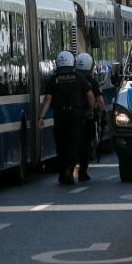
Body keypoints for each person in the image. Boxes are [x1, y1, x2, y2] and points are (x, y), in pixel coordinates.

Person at [37, 51, 95, 185]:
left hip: (60, 117)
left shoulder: (53, 79)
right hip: (75, 118)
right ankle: (69, 169)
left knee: (61, 144)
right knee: (74, 144)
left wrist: (41, 117)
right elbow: (91, 97)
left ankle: (63, 172)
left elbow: (47, 98)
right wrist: (90, 112)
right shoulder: (79, 77)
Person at [75, 53, 106, 181]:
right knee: (86, 145)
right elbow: (99, 100)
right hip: (87, 118)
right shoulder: (92, 82)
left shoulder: (72, 79)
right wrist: (103, 116)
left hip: (71, 117)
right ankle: (82, 171)